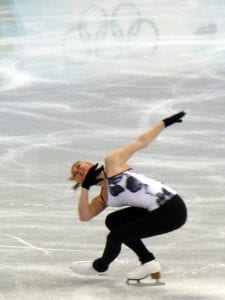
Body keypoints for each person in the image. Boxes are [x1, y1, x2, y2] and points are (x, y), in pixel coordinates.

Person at [69, 111, 187, 282]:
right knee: (113, 221)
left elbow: (140, 142)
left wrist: (164, 123)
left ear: (91, 164)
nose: (79, 170)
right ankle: (148, 261)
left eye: (81, 166)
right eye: (76, 173)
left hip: (171, 209)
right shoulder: (103, 198)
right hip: (157, 210)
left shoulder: (113, 163)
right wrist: (85, 188)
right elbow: (85, 216)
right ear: (78, 181)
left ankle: (100, 266)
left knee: (116, 236)